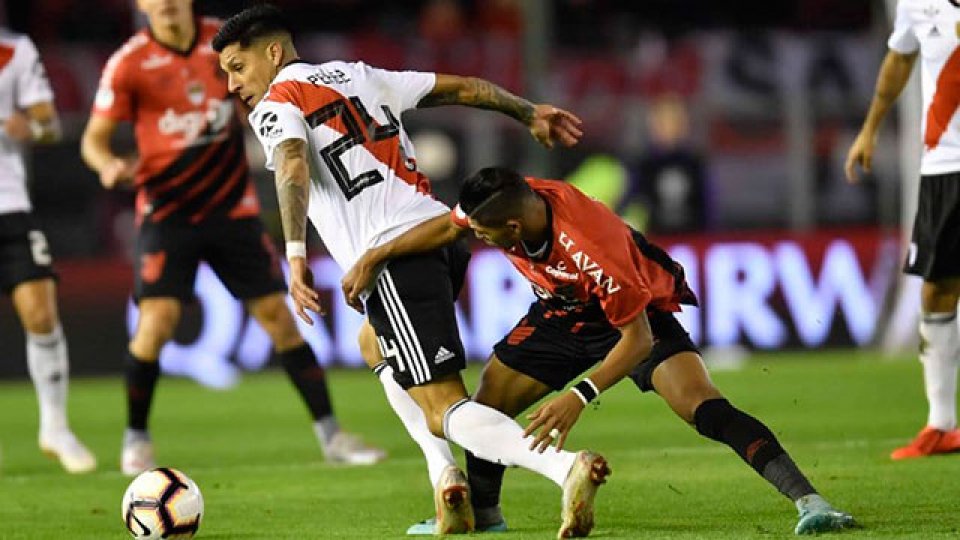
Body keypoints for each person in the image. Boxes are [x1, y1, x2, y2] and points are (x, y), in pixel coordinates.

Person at [212, 5, 608, 536]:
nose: (233, 84)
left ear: (274, 53)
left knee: (443, 406)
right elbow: (465, 89)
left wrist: (296, 255)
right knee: (373, 344)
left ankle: (564, 468)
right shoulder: (360, 74)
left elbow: (291, 163)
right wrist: (527, 110)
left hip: (394, 256)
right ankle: (447, 483)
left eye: (237, 67)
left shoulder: (276, 102)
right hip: (438, 237)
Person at [342, 167, 858, 536]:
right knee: (484, 410)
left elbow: (637, 340)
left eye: (484, 235)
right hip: (561, 314)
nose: (475, 238)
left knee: (702, 406)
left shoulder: (591, 249)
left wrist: (579, 395)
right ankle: (489, 518)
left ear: (514, 229)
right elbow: (449, 225)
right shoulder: (500, 202)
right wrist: (376, 256)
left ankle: (811, 502)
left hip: (632, 317)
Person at [79, 0, 385, 476]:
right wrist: (107, 164)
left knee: (279, 320)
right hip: (167, 213)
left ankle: (332, 435)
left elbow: (262, 97)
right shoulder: (129, 63)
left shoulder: (222, 45)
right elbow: (93, 139)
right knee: (157, 323)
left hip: (232, 209)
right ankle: (136, 438)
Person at [845, 0, 960, 460]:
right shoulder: (913, 1)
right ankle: (942, 423)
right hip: (943, 166)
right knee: (936, 289)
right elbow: (900, 57)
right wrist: (870, 128)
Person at [0, 27, 96, 474]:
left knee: (41, 314)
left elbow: (51, 122)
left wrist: (30, 125)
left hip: (10, 205)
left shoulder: (14, 50)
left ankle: (55, 428)